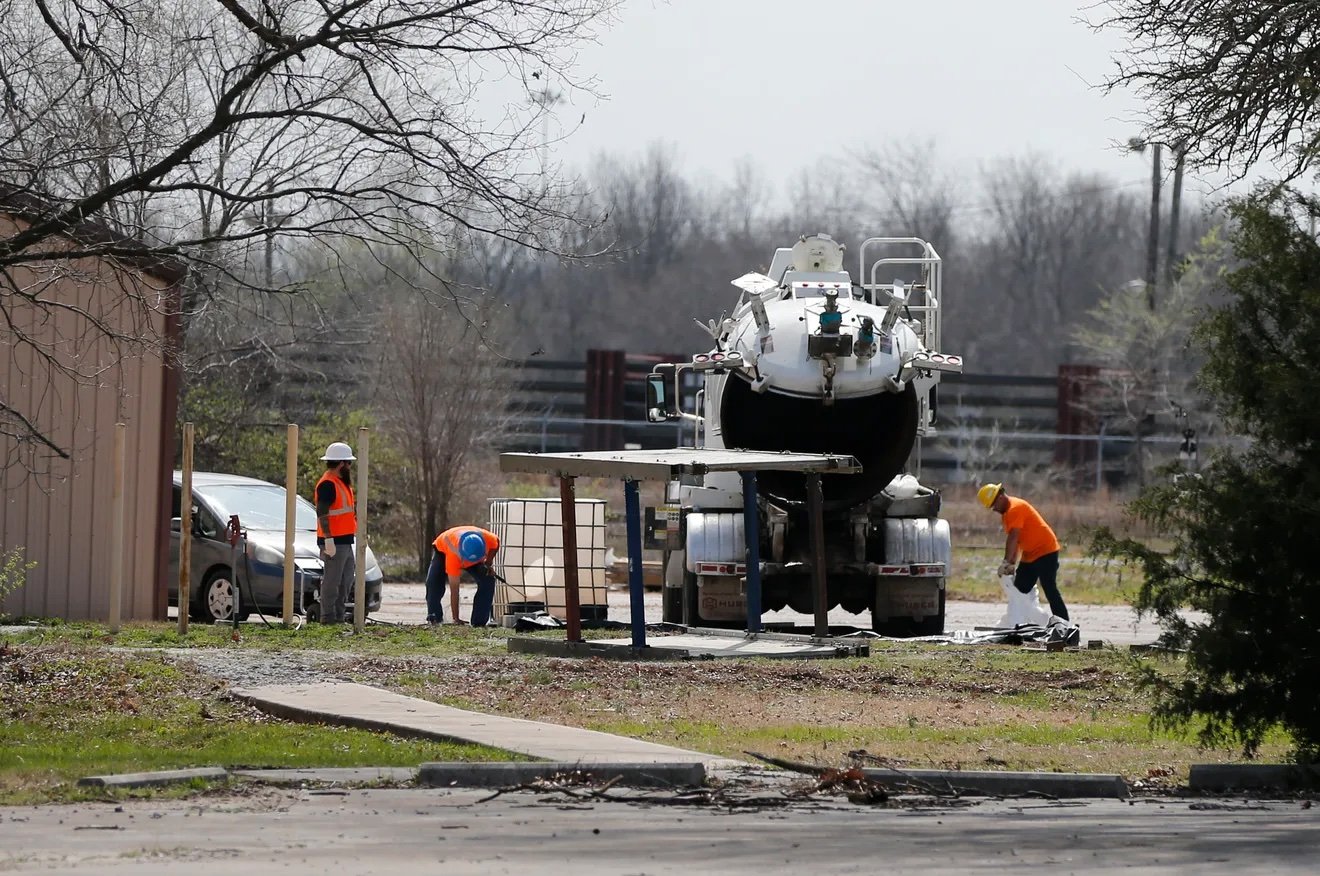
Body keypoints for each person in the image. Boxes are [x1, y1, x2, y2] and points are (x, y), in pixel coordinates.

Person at [977, 482, 1069, 621]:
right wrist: (1012, 564)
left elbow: (1013, 537)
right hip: (1030, 555)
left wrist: (1006, 562)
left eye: (994, 505)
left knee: (1049, 588)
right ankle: (1023, 621)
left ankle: (1064, 624)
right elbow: (1017, 541)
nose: (994, 509)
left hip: (1046, 550)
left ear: (1000, 496)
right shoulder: (1007, 514)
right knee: (1020, 589)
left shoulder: (1015, 508)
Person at [314, 442, 357, 625]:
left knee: (346, 580)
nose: (350, 467)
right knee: (332, 581)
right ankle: (328, 617)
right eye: (349, 463)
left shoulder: (340, 483)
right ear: (342, 463)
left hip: (345, 540)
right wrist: (328, 539)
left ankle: (338, 616)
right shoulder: (328, 484)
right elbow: (322, 511)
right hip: (334, 541)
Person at [426, 526, 500, 626]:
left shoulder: (489, 539)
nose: (470, 563)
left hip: (473, 554)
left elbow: (496, 544)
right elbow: (454, 590)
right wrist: (456, 618)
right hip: (442, 550)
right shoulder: (453, 556)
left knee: (488, 580)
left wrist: (488, 563)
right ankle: (435, 618)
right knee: (433, 583)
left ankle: (479, 622)